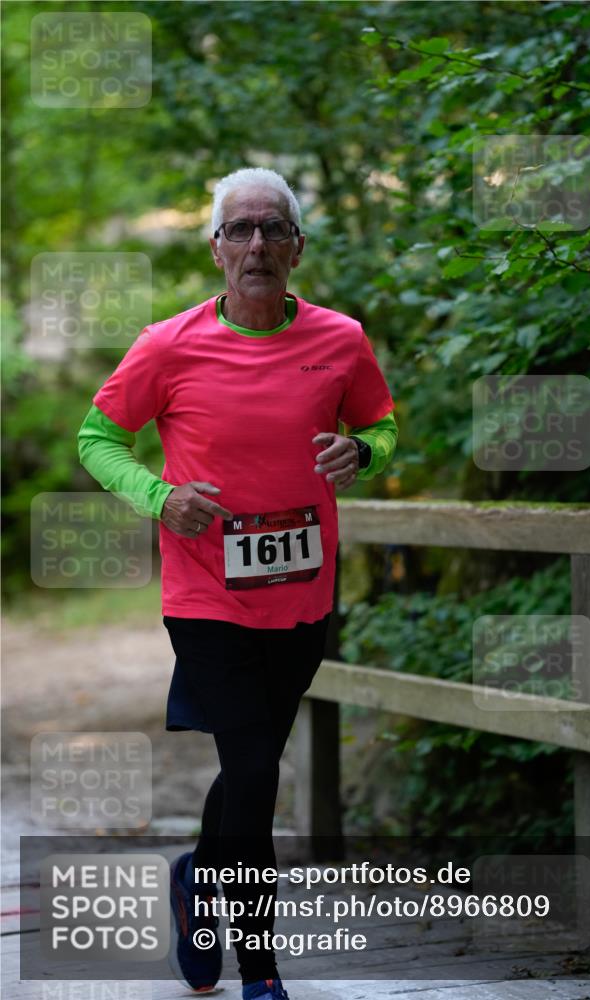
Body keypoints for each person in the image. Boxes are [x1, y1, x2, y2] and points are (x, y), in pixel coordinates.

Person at [78, 166, 398, 997]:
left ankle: (195, 879)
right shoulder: (167, 344)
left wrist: (362, 453)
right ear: (216, 247)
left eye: (272, 229)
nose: (256, 244)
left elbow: (382, 425)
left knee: (250, 766)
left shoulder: (340, 340)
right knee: (256, 774)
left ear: (297, 246)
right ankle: (260, 971)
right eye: (239, 230)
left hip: (301, 595)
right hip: (206, 597)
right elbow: (98, 438)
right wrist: (158, 495)